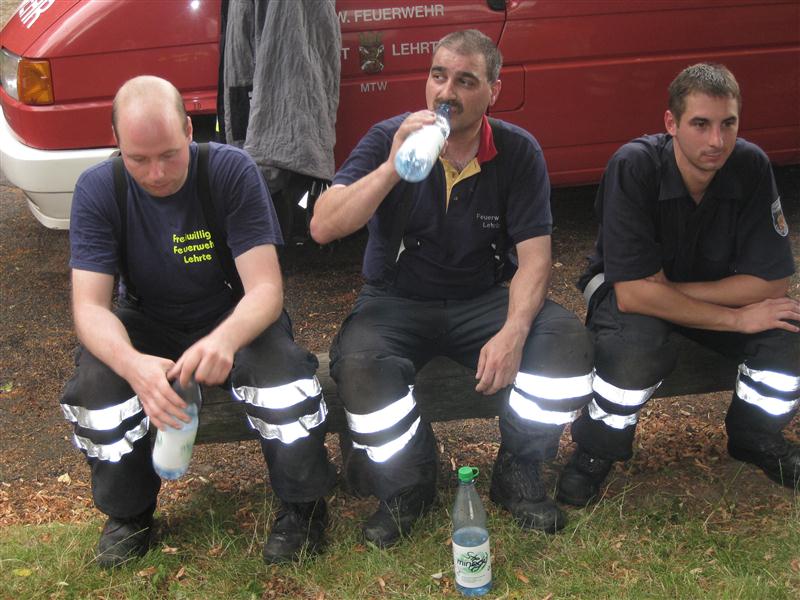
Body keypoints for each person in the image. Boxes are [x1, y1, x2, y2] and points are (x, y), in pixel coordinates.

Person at [310, 30, 594, 548]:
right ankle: (410, 483)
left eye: (466, 81)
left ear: (493, 91)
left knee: (565, 346)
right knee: (359, 366)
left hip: (481, 296)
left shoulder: (516, 150)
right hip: (396, 299)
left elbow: (535, 259)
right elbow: (324, 226)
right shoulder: (390, 137)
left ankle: (518, 470)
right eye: (439, 75)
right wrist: (392, 167)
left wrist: (512, 331)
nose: (447, 92)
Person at [60, 76, 336, 567]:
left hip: (233, 313)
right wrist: (134, 365)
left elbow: (266, 290)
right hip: (146, 319)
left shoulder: (229, 170)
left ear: (190, 129)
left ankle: (303, 506)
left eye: (169, 153)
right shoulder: (99, 189)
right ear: (117, 145)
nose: (157, 173)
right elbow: (90, 308)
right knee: (97, 389)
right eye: (138, 159)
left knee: (282, 380)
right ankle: (130, 514)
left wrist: (225, 340)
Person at [557, 63, 800, 507]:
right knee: (633, 355)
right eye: (700, 124)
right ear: (671, 123)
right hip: (624, 291)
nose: (716, 141)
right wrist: (735, 317)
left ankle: (754, 436)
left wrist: (669, 291)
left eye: (728, 124)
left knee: (788, 336)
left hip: (686, 288)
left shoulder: (750, 165)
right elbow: (631, 294)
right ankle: (595, 450)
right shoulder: (634, 165)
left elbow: (773, 280)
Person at [221, 0, 340, 244]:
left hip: (275, 97)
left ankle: (270, 252)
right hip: (269, 94)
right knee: (266, 175)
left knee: (267, 176)